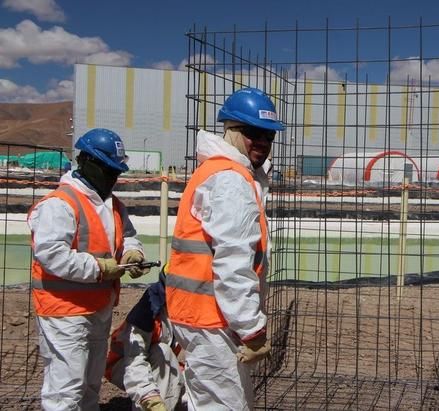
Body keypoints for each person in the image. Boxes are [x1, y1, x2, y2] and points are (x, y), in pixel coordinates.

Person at [166, 87, 281, 410]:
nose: (262, 142)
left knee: (208, 399)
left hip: (203, 314)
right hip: (213, 318)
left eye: (269, 135)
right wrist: (251, 327)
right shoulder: (230, 180)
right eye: (253, 133)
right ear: (231, 130)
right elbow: (232, 262)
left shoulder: (221, 172)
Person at [28, 128, 150, 410]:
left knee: (90, 386)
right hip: (64, 311)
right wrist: (99, 268)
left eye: (116, 171)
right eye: (108, 170)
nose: (112, 178)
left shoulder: (113, 205)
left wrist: (133, 252)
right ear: (86, 162)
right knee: (66, 391)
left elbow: (128, 234)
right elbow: (52, 254)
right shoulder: (61, 204)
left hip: (98, 308)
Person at [105, 267, 184, 411]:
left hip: (153, 363)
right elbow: (134, 362)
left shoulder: (182, 310)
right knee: (163, 352)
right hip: (124, 366)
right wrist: (148, 397)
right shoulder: (146, 314)